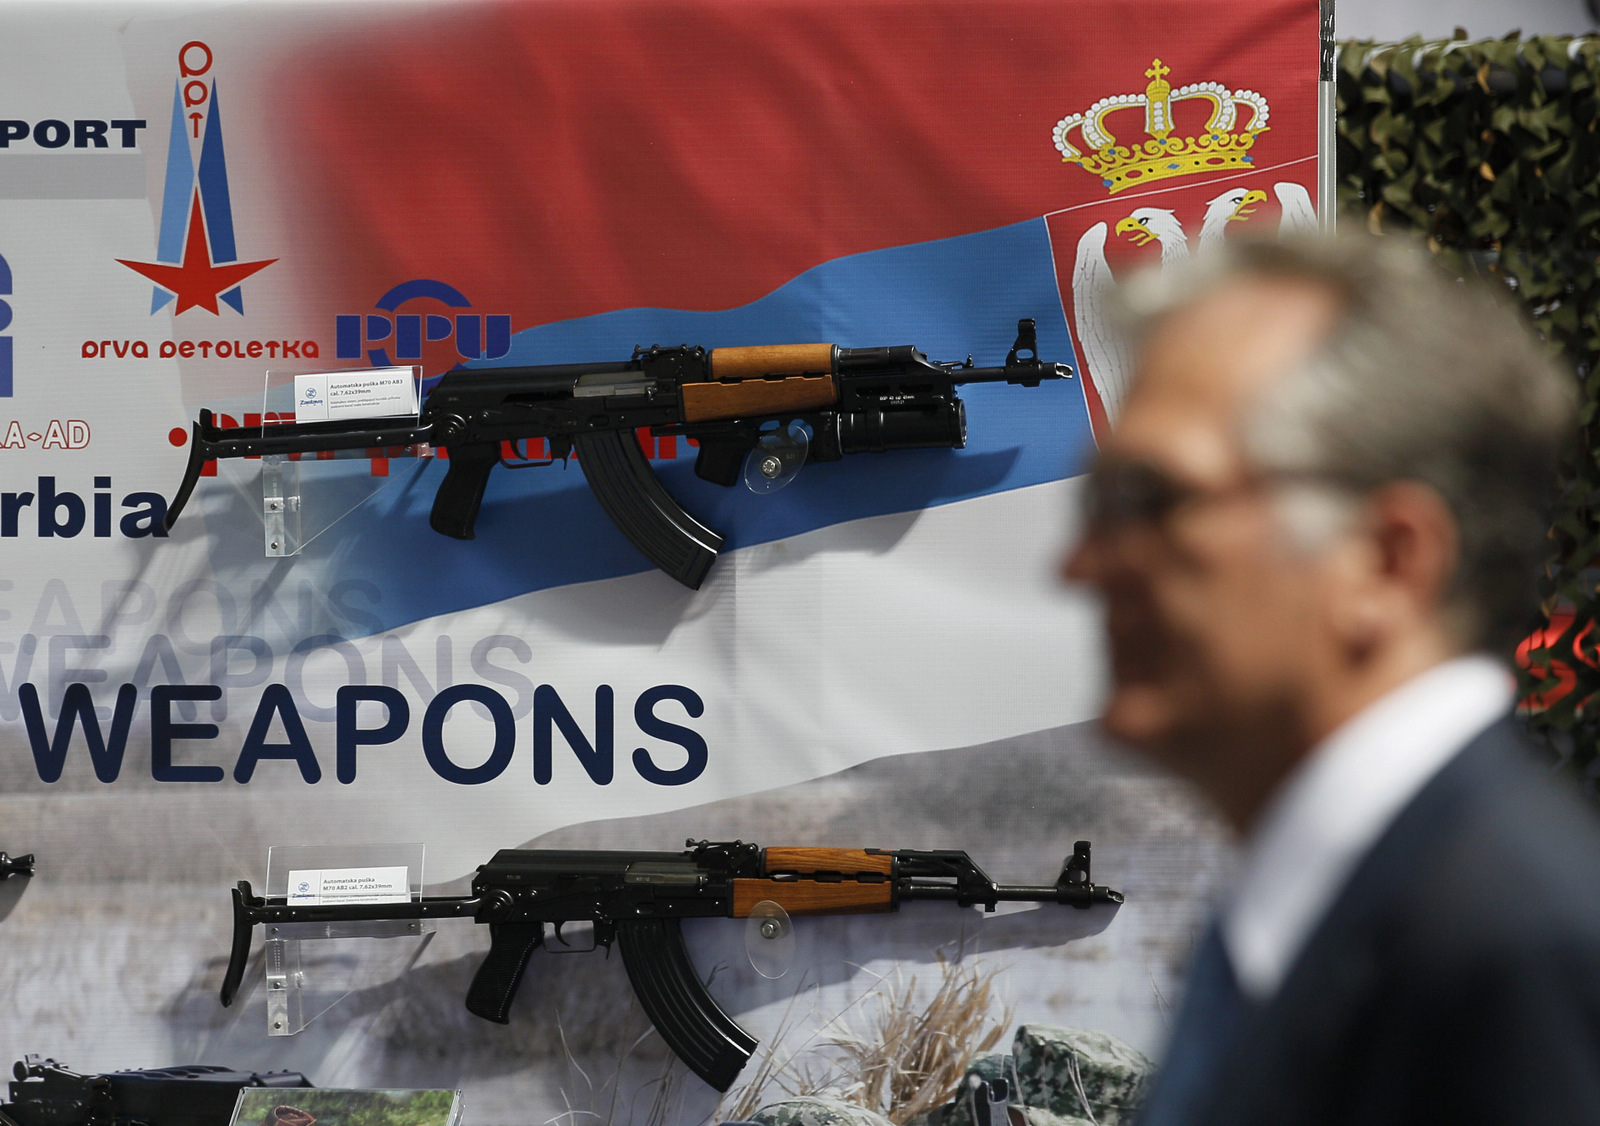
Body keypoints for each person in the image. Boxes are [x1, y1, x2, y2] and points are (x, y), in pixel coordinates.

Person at [1061, 234, 1600, 1124]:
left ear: (1386, 561)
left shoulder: (1506, 947)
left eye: (1152, 502)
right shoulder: (1338, 900)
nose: (1081, 568)